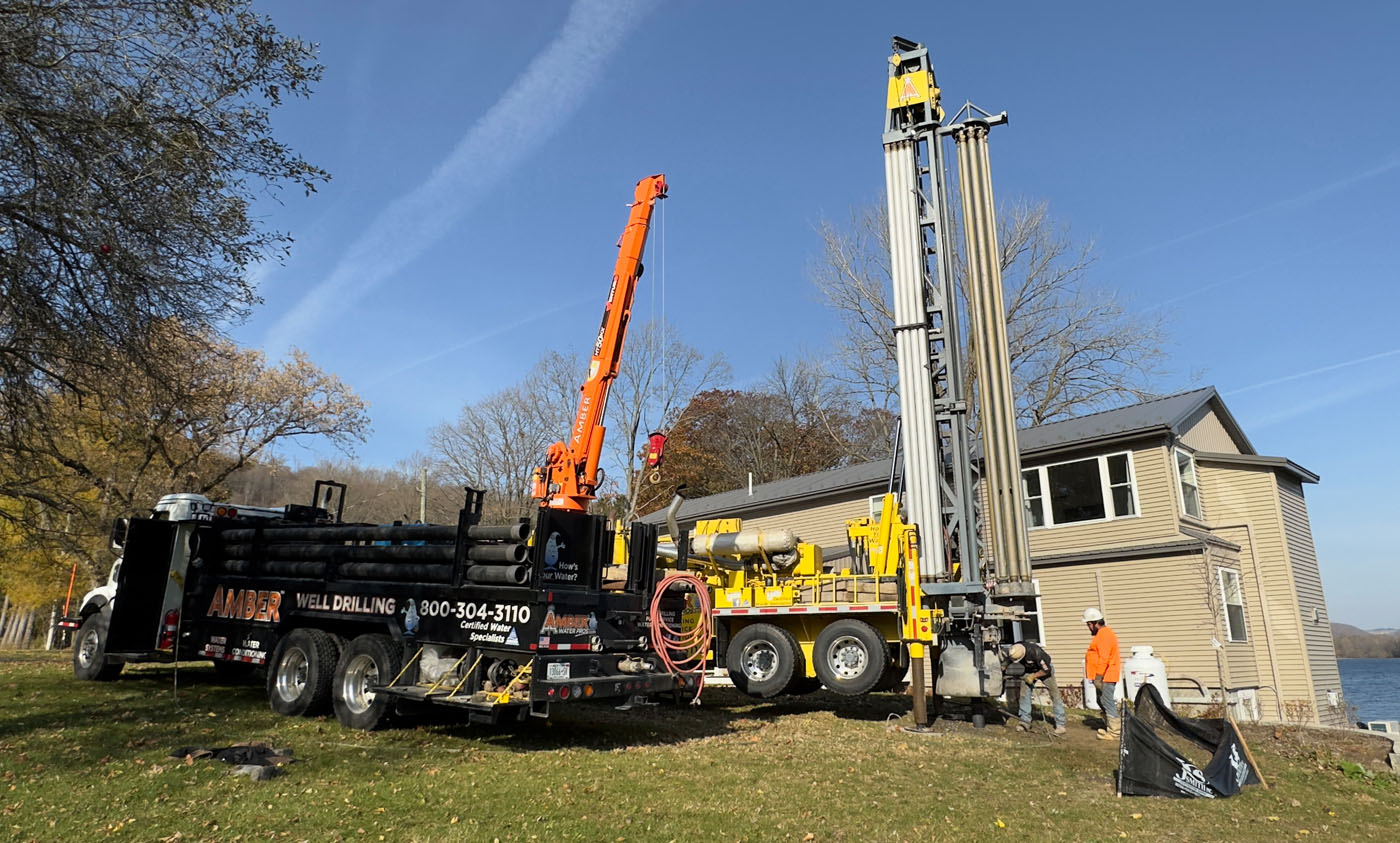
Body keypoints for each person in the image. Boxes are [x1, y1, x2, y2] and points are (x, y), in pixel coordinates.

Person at [1008, 641, 1066, 735]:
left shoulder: (1036, 652)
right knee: (1024, 694)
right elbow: (1007, 662)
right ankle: (1024, 722)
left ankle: (1060, 724)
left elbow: (1046, 670)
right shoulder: (1014, 649)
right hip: (1029, 670)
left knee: (1054, 694)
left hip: (1044, 670)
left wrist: (1033, 676)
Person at [1083, 607, 1122, 740]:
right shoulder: (1102, 635)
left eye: (1088, 624)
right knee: (1102, 701)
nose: (1088, 627)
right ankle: (1109, 727)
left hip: (1106, 675)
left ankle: (1115, 733)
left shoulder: (1105, 635)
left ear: (1095, 623)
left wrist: (1099, 676)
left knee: (1107, 701)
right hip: (1103, 675)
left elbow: (1104, 657)